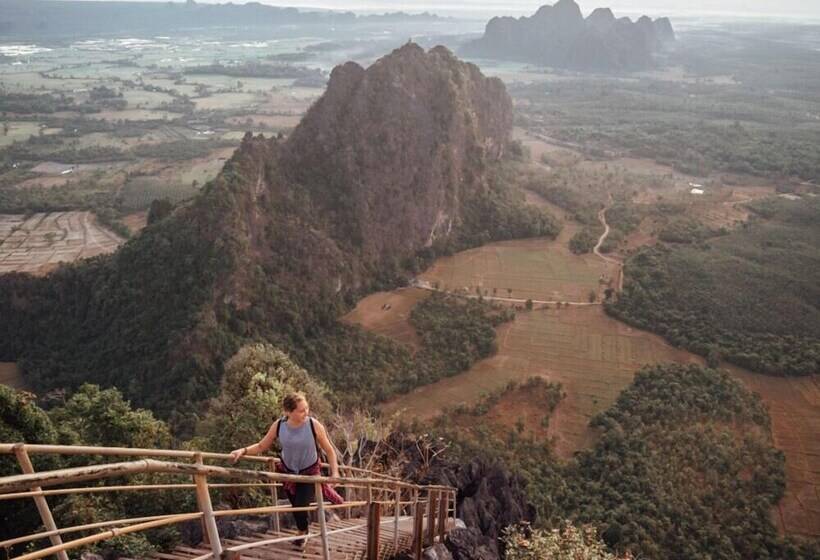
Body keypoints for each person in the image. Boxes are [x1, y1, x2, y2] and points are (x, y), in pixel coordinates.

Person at [230, 392, 342, 549]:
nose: (306, 412)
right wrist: (242, 451)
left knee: (300, 505)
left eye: (307, 408)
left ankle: (303, 533)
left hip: (309, 472)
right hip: (288, 472)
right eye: (301, 410)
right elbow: (262, 446)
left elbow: (329, 450)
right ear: (288, 412)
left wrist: (335, 472)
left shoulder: (313, 425)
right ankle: (303, 530)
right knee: (295, 505)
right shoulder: (279, 425)